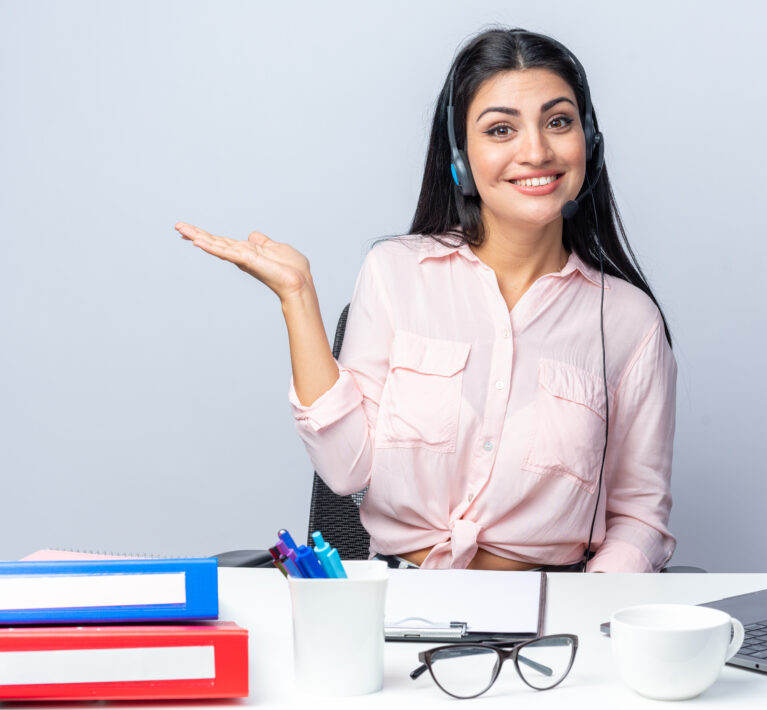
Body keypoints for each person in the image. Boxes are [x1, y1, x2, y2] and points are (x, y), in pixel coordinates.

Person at [177, 27, 677, 572]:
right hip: (401, 608)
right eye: (501, 129)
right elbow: (347, 471)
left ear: (591, 146)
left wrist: (592, 613)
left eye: (558, 122)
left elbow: (639, 516)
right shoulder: (396, 273)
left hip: (547, 625)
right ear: (461, 159)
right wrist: (298, 297)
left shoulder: (629, 322)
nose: (535, 151)